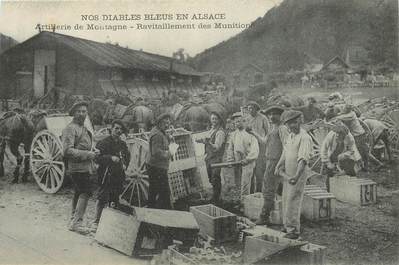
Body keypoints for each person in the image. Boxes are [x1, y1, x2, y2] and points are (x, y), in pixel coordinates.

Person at [62, 101, 99, 234]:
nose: (82, 114)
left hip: (85, 167)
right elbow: (67, 151)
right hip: (76, 167)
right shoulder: (70, 128)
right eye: (79, 111)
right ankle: (77, 222)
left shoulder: (83, 128)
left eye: (84, 111)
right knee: (86, 191)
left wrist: (93, 150)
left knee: (79, 191)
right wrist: (88, 154)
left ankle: (74, 219)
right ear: (74, 113)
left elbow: (84, 145)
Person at [275, 110, 313, 239]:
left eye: (294, 123)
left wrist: (296, 176)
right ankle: (287, 225)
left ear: (300, 121)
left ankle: (293, 230)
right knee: (286, 198)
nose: (291, 126)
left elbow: (303, 159)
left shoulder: (305, 137)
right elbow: (285, 153)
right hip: (288, 172)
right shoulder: (290, 136)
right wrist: (279, 165)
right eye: (289, 124)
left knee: (293, 199)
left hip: (298, 173)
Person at [249, 105, 289, 225]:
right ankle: (280, 214)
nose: (271, 117)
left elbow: (287, 148)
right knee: (274, 187)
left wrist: (280, 164)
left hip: (276, 161)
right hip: (270, 160)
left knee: (268, 188)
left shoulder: (282, 129)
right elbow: (264, 141)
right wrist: (253, 133)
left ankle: (265, 216)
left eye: (274, 114)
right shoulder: (273, 128)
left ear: (280, 116)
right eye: (270, 114)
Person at [91, 120, 130, 231]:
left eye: (120, 129)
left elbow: (127, 155)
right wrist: (110, 158)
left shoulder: (122, 144)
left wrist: (125, 164)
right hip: (106, 174)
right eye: (116, 128)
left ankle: (110, 222)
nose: (118, 131)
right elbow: (96, 158)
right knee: (102, 197)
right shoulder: (104, 143)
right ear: (111, 129)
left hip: (118, 175)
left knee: (115, 198)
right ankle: (96, 222)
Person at [226, 112, 259, 201]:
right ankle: (251, 200)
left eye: (240, 121)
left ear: (244, 121)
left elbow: (255, 149)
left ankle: (244, 202)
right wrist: (230, 159)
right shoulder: (233, 134)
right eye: (236, 122)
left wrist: (248, 159)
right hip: (238, 161)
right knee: (242, 182)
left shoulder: (250, 134)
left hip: (248, 161)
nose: (238, 123)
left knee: (246, 182)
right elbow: (230, 148)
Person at [320, 121, 361, 191]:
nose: (338, 135)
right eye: (337, 134)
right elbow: (323, 149)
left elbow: (352, 151)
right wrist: (327, 163)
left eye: (340, 134)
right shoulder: (331, 136)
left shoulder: (350, 138)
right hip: (332, 154)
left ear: (344, 135)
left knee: (350, 170)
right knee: (330, 172)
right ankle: (329, 190)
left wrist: (343, 155)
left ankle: (350, 188)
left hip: (344, 155)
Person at [197, 112, 226, 204]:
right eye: (212, 119)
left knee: (215, 178)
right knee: (211, 178)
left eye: (215, 119)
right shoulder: (211, 130)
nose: (213, 121)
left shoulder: (220, 132)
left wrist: (208, 143)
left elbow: (217, 147)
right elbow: (207, 141)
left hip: (216, 158)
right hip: (209, 157)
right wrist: (201, 141)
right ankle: (216, 197)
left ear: (219, 120)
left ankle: (216, 199)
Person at [147, 113, 173, 209]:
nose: (167, 125)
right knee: (164, 192)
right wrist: (168, 154)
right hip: (156, 167)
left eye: (168, 123)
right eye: (165, 123)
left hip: (157, 166)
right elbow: (156, 152)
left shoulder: (160, 131)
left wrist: (169, 138)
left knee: (154, 190)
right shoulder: (157, 134)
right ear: (160, 122)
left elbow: (163, 142)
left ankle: (152, 210)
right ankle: (164, 211)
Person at [333, 104, 370, 171]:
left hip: (359, 135)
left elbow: (341, 117)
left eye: (344, 109)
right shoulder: (348, 114)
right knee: (359, 151)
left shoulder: (351, 114)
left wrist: (335, 118)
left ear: (348, 110)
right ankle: (361, 165)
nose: (343, 110)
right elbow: (342, 115)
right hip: (356, 135)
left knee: (361, 151)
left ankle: (365, 166)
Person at [245, 101, 269, 192]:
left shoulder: (263, 118)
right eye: (248, 108)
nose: (250, 110)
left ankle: (259, 192)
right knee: (250, 171)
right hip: (250, 147)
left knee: (259, 172)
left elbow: (268, 133)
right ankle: (251, 193)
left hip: (260, 147)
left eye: (252, 108)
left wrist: (264, 141)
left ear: (256, 108)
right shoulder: (247, 119)